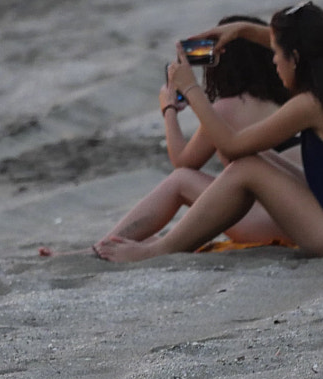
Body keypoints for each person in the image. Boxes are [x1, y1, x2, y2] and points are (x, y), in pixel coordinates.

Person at [95, 2, 323, 261]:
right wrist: (244, 31)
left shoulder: (310, 104)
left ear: (296, 58)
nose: (273, 61)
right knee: (256, 157)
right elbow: (317, 46)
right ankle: (147, 244)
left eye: (277, 54)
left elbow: (231, 148)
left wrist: (190, 89)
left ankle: (157, 249)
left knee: (245, 165)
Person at [103, 16, 301, 246]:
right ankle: (137, 243)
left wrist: (169, 109)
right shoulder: (291, 102)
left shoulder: (229, 108)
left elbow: (184, 162)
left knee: (180, 180)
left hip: (266, 224)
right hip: (303, 219)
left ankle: (103, 246)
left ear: (220, 62)